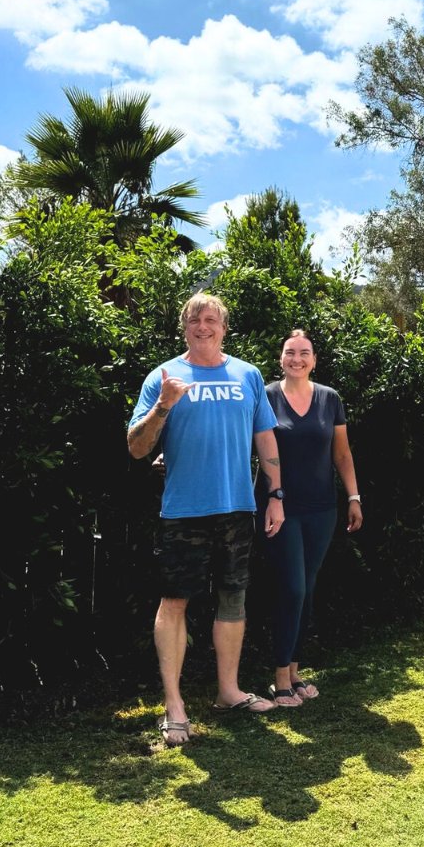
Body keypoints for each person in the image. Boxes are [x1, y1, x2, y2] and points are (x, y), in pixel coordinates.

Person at [128, 293, 285, 746]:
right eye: (195, 319)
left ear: (224, 328)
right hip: (183, 511)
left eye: (211, 319)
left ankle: (228, 692)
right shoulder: (164, 377)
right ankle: (174, 706)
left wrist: (275, 495)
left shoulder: (248, 375)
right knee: (174, 602)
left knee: (233, 598)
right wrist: (164, 406)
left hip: (237, 507)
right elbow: (137, 448)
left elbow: (266, 441)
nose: (203, 325)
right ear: (184, 327)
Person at [257, 329, 362, 707]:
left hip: (322, 510)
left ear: (314, 360)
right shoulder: (265, 396)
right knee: (293, 589)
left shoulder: (329, 398)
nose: (297, 359)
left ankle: (296, 670)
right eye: (290, 353)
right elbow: (243, 442)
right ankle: (280, 676)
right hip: (280, 508)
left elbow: (343, 454)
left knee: (308, 590)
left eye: (304, 353)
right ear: (281, 359)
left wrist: (353, 496)